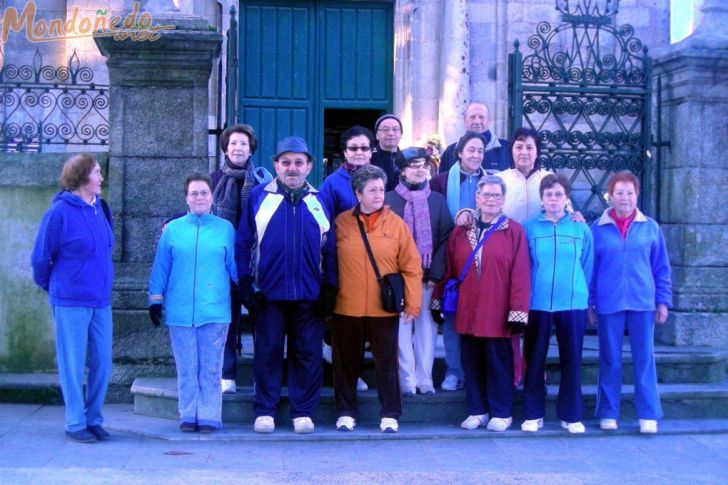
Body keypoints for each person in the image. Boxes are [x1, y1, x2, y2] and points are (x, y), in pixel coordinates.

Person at [236, 136, 337, 434]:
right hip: (268, 293)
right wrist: (244, 282)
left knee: (307, 352)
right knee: (267, 351)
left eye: (298, 163)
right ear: (276, 165)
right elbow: (243, 242)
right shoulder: (258, 196)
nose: (292, 168)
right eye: (286, 162)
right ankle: (265, 409)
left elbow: (330, 248)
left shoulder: (320, 200)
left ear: (309, 166)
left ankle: (302, 411)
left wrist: (329, 288)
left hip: (309, 293)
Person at [433, 175, 530, 432]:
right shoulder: (461, 231)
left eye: (497, 196)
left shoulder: (514, 231)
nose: (491, 200)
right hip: (468, 309)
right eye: (486, 195)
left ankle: (502, 411)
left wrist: (518, 312)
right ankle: (477, 410)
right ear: (477, 198)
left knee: (499, 363)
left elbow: (521, 274)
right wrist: (437, 298)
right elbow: (451, 269)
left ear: (503, 199)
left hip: (498, 311)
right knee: (471, 363)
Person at [332, 164, 423, 433]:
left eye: (381, 189)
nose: (378, 195)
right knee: (345, 363)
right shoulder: (341, 222)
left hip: (384, 308)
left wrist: (413, 302)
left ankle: (390, 414)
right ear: (358, 193)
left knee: (387, 363)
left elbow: (411, 266)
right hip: (346, 306)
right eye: (372, 190)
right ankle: (345, 413)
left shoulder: (397, 224)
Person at [31, 154, 114, 443]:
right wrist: (59, 289)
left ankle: (94, 419)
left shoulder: (100, 209)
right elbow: (41, 259)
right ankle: (75, 422)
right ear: (81, 177)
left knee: (103, 361)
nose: (101, 177)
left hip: (100, 301)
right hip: (70, 301)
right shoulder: (59, 213)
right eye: (97, 172)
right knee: (73, 363)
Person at [148, 173, 237, 433]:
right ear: (186, 198)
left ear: (212, 197)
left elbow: (235, 266)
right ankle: (188, 414)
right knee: (187, 367)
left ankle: (210, 415)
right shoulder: (173, 230)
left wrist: (248, 289)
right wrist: (155, 299)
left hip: (215, 310)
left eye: (204, 193)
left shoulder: (225, 229)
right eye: (194, 193)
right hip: (180, 310)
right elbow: (161, 267)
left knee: (210, 369)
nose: (199, 197)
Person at [589, 171, 672, 434]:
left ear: (637, 195)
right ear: (610, 196)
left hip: (642, 302)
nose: (624, 198)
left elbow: (661, 268)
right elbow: (590, 268)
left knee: (644, 358)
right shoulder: (597, 228)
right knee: (610, 358)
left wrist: (663, 301)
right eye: (619, 192)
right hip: (608, 303)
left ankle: (648, 414)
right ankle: (608, 412)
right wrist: (590, 302)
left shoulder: (650, 227)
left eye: (630, 192)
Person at [521, 174, 593, 434]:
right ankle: (533, 413)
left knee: (571, 360)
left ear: (567, 198)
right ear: (541, 198)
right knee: (535, 359)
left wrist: (584, 296)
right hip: (537, 303)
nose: (553, 198)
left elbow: (587, 265)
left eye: (558, 194)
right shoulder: (529, 228)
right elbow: (524, 266)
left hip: (572, 303)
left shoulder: (580, 229)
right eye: (549, 194)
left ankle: (571, 415)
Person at [385, 147, 453, 395]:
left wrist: (436, 273)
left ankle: (425, 378)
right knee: (402, 329)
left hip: (427, 278)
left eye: (424, 165)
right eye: (414, 165)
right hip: (399, 278)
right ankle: (407, 378)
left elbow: (446, 237)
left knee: (427, 330)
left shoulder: (437, 200)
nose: (420, 169)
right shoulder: (389, 200)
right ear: (402, 170)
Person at [318, 125, 376, 392]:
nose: (359, 153)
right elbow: (325, 227)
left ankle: (355, 373)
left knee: (364, 326)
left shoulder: (379, 180)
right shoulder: (332, 184)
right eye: (353, 148)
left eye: (364, 147)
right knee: (344, 325)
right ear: (344, 152)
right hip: (343, 264)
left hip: (373, 266)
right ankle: (342, 375)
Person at [212, 124, 269, 395]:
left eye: (243, 144)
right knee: (227, 318)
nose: (238, 148)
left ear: (251, 149)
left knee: (261, 319)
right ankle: (227, 372)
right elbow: (196, 207)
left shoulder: (262, 182)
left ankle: (262, 375)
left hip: (254, 259)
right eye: (233, 143)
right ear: (225, 147)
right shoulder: (212, 181)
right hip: (221, 262)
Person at [430, 131, 488, 391]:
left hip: (484, 258)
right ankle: (453, 370)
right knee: (453, 314)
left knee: (482, 315)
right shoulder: (440, 182)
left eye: (480, 151)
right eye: (471, 150)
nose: (476, 155)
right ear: (460, 152)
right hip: (452, 256)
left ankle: (477, 371)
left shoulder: (493, 183)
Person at [438, 102, 511, 174]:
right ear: (465, 121)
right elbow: (441, 183)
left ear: (489, 121)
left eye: (481, 117)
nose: (477, 121)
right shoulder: (450, 151)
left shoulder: (506, 148)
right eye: (472, 117)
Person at [371, 114, 403, 191]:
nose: (391, 133)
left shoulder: (407, 158)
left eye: (395, 129)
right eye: (385, 130)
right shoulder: (369, 158)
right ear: (377, 135)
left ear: (401, 134)